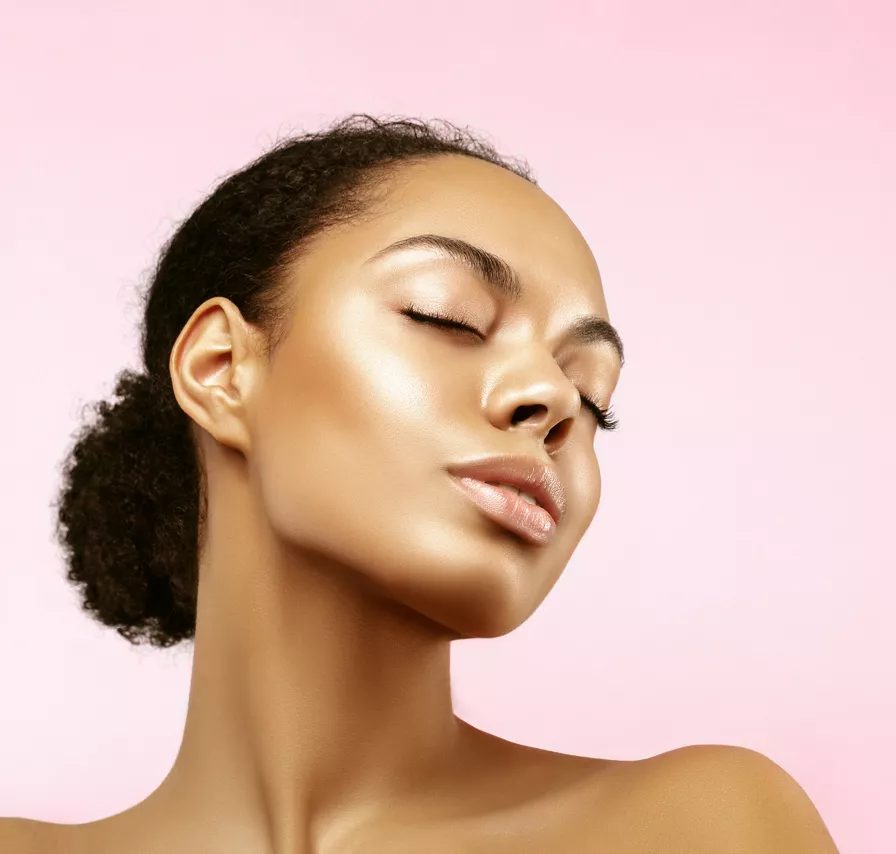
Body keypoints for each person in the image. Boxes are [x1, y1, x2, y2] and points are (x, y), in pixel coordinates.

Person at [0, 115, 838, 853]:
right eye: (449, 318)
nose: (552, 401)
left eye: (593, 396)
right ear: (221, 370)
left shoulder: (697, 830)